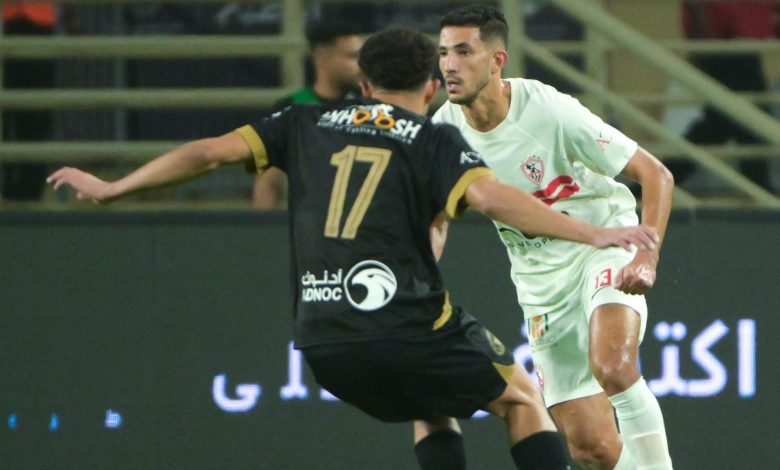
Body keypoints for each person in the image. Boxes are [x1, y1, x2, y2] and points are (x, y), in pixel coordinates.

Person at [48, 26, 659, 470]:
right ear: (430, 86)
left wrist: (113, 188)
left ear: (364, 84)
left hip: (324, 343)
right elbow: (494, 199)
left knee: (430, 403)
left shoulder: (301, 122)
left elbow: (207, 153)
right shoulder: (431, 138)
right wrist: (596, 232)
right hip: (408, 324)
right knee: (522, 398)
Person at [432, 5, 674, 470]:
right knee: (591, 448)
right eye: (443, 53)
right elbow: (433, 218)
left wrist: (647, 256)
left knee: (614, 366)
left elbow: (655, 174)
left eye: (463, 51)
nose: (449, 65)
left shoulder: (546, 109)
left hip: (604, 245)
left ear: (497, 61)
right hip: (540, 281)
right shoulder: (443, 134)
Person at [252, 18, 364, 210]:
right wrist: (263, 225)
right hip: (310, 220)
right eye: (352, 56)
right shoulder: (291, 107)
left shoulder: (367, 107)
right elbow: (269, 183)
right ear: (322, 57)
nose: (361, 65)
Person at [667, 0, 777, 191]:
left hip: (733, 50)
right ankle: (759, 188)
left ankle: (759, 188)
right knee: (729, 126)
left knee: (726, 127)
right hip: (729, 52)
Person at [2, 2, 57, 201]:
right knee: (10, 113)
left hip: (37, 22)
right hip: (13, 22)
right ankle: (12, 184)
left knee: (36, 113)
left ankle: (31, 188)